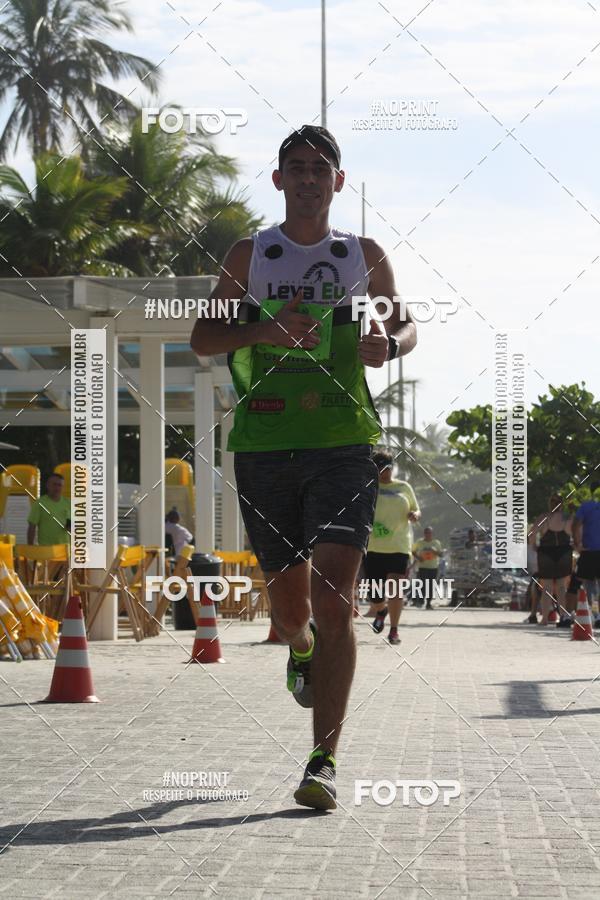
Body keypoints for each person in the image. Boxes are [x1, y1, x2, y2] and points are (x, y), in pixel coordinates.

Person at [191, 125, 417, 811]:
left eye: (323, 167)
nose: (311, 177)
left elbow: (405, 326)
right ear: (279, 180)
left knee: (335, 597)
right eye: (298, 167)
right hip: (263, 446)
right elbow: (204, 338)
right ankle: (299, 649)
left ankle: (324, 760)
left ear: (339, 182)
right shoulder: (250, 254)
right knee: (292, 612)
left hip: (344, 442)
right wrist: (261, 329)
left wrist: (389, 344)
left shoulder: (363, 255)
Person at [366, 449, 420, 642]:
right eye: (379, 469)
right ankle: (381, 611)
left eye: (387, 468)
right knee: (375, 593)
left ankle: (394, 630)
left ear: (392, 468)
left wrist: (414, 515)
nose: (383, 473)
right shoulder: (369, 487)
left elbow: (415, 509)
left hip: (399, 545)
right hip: (373, 547)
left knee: (395, 589)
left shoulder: (403, 487)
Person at [531, 494, 573, 626]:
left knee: (546, 588)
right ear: (562, 504)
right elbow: (576, 534)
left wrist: (534, 546)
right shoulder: (568, 518)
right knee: (561, 588)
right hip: (564, 553)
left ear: (550, 504)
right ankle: (563, 618)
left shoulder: (544, 518)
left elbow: (532, 533)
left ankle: (544, 620)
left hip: (546, 554)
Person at [573, 484, 600, 627]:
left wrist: (578, 544)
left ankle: (594, 614)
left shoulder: (586, 506)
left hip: (589, 551)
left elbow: (576, 524)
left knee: (589, 585)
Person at [27, 473, 70, 546]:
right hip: (45, 550)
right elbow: (32, 527)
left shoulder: (69, 503)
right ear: (47, 485)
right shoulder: (39, 503)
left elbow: (74, 525)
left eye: (59, 485)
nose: (57, 488)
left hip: (64, 549)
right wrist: (30, 548)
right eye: (54, 484)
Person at [412, 526, 444, 609]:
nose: (428, 535)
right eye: (426, 533)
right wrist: (418, 558)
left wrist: (435, 551)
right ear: (424, 534)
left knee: (431, 585)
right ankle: (421, 599)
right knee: (423, 584)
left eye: (429, 533)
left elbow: (441, 554)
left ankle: (428, 603)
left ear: (432, 534)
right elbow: (413, 551)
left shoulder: (436, 543)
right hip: (423, 566)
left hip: (433, 567)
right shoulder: (419, 542)